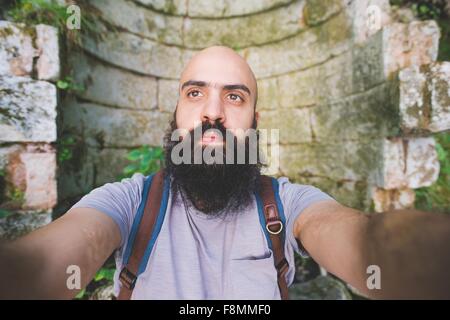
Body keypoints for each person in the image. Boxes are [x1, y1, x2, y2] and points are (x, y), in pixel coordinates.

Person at [0, 46, 449, 300]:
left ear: (254, 120)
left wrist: (417, 259)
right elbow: (45, 264)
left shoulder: (288, 204)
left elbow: (364, 242)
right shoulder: (128, 203)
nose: (212, 113)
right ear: (175, 115)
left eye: (234, 97)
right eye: (195, 93)